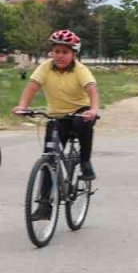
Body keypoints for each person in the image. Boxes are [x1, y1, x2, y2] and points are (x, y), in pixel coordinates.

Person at [12, 30, 102, 210]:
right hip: (57, 116)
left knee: (81, 123)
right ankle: (44, 205)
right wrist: (22, 106)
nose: (60, 56)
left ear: (74, 54)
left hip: (79, 112)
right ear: (52, 52)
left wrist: (93, 109)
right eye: (57, 51)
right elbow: (32, 87)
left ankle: (85, 161)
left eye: (65, 52)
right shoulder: (45, 67)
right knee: (49, 158)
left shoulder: (80, 70)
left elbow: (92, 89)